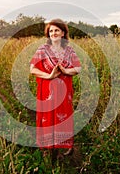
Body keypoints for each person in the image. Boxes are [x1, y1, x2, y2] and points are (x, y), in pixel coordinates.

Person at [30, 18, 81, 159]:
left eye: (56, 30)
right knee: (47, 117)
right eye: (51, 31)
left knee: (63, 118)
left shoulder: (69, 51)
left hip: (64, 93)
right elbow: (33, 69)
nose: (53, 33)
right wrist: (49, 75)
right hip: (47, 92)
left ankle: (63, 146)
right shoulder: (42, 50)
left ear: (63, 33)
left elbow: (78, 68)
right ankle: (49, 148)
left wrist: (65, 71)